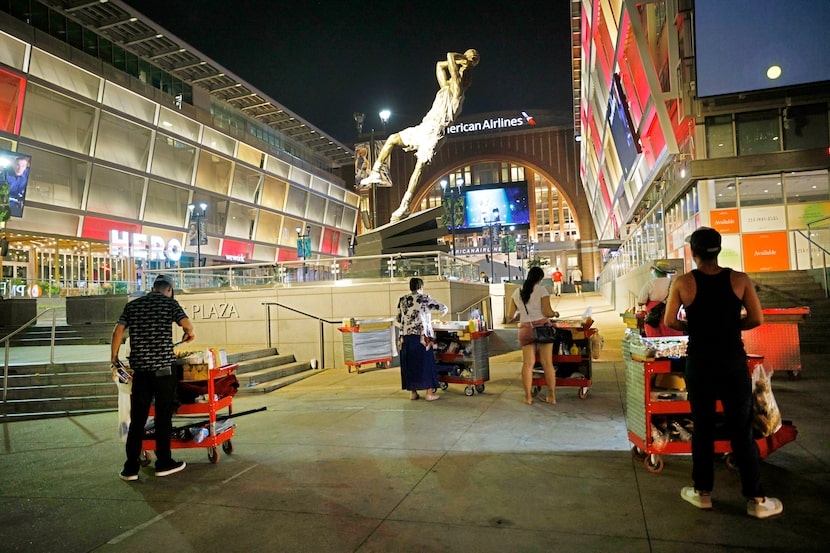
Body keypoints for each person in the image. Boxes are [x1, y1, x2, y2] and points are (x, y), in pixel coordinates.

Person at [665, 227, 783, 519]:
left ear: (693, 252)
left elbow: (670, 321)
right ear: (719, 249)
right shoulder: (739, 280)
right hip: (732, 362)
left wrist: (695, 328)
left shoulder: (683, 282)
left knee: (702, 427)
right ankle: (756, 499)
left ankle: (703, 493)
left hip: (701, 362)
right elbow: (756, 317)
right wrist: (730, 327)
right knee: (741, 429)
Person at [360, 49, 480, 223]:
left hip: (435, 133)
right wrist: (465, 61)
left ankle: (405, 204)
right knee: (393, 138)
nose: (459, 69)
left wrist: (464, 61)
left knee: (419, 167)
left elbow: (450, 57)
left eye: (461, 69)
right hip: (424, 127)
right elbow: (440, 64)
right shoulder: (445, 89)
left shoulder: (457, 91)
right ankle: (376, 171)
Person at [111, 274, 195, 481]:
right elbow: (187, 324)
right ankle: (164, 462)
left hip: (141, 373)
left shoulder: (134, 305)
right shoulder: (169, 303)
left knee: (138, 419)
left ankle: (130, 468)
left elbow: (118, 331)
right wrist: (188, 333)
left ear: (153, 287)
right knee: (163, 417)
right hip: (164, 371)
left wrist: (114, 358)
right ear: (169, 289)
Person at [507, 266, 559, 405]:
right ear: (540, 279)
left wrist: (523, 314)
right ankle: (552, 396)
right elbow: (547, 312)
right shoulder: (542, 290)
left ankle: (528, 398)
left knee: (528, 364)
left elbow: (509, 316)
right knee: (547, 363)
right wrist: (555, 314)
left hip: (525, 329)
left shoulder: (517, 292)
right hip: (542, 328)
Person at [396, 277, 448, 401]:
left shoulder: (402, 300)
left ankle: (413, 393)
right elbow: (443, 307)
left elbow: (398, 318)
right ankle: (429, 393)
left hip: (405, 337)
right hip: (421, 337)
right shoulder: (424, 298)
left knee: (410, 364)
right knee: (426, 364)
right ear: (421, 286)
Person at [637, 261, 684, 337]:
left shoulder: (650, 284)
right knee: (673, 341)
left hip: (654, 319)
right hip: (672, 317)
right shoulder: (674, 283)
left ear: (656, 271)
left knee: (656, 342)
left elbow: (641, 302)